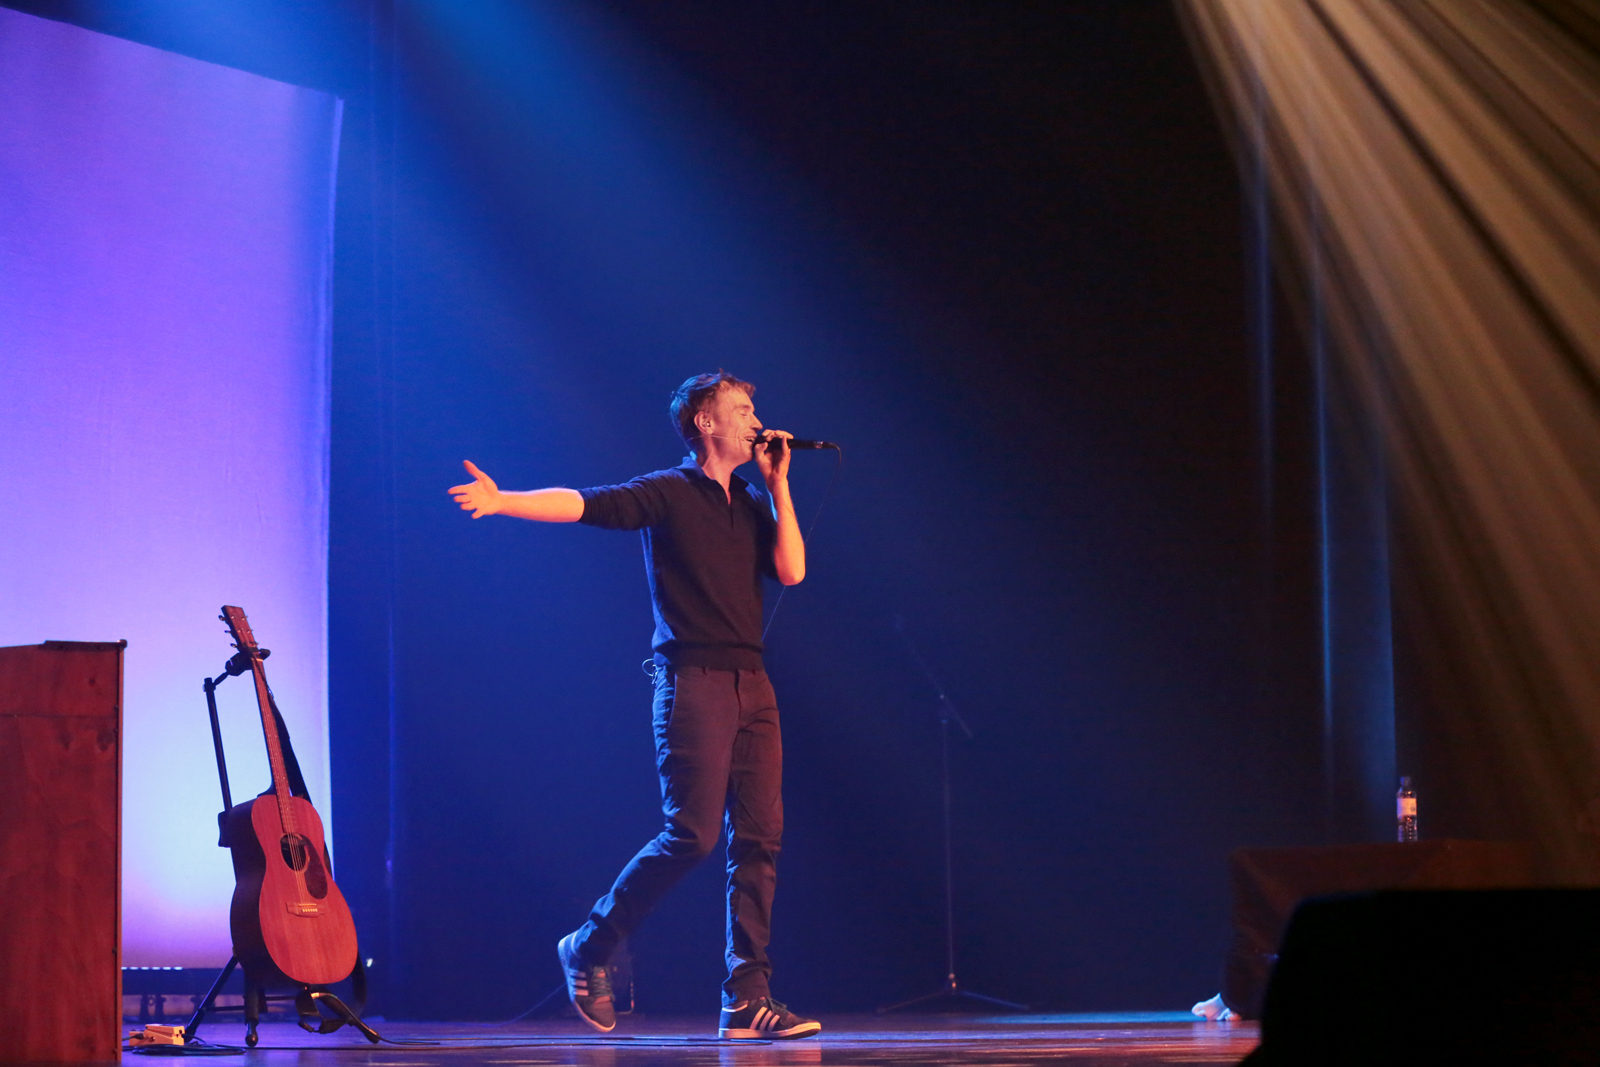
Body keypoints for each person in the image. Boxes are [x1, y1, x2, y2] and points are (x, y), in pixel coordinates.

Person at [447, 371, 821, 1041]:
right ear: (705, 422)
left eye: (754, 409)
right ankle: (589, 944)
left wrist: (778, 485)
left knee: (761, 838)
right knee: (693, 835)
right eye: (741, 409)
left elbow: (792, 570)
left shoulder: (751, 500)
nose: (755, 420)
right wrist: (503, 500)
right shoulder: (668, 491)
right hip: (693, 681)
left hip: (752, 684)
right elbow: (584, 504)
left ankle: (746, 996)